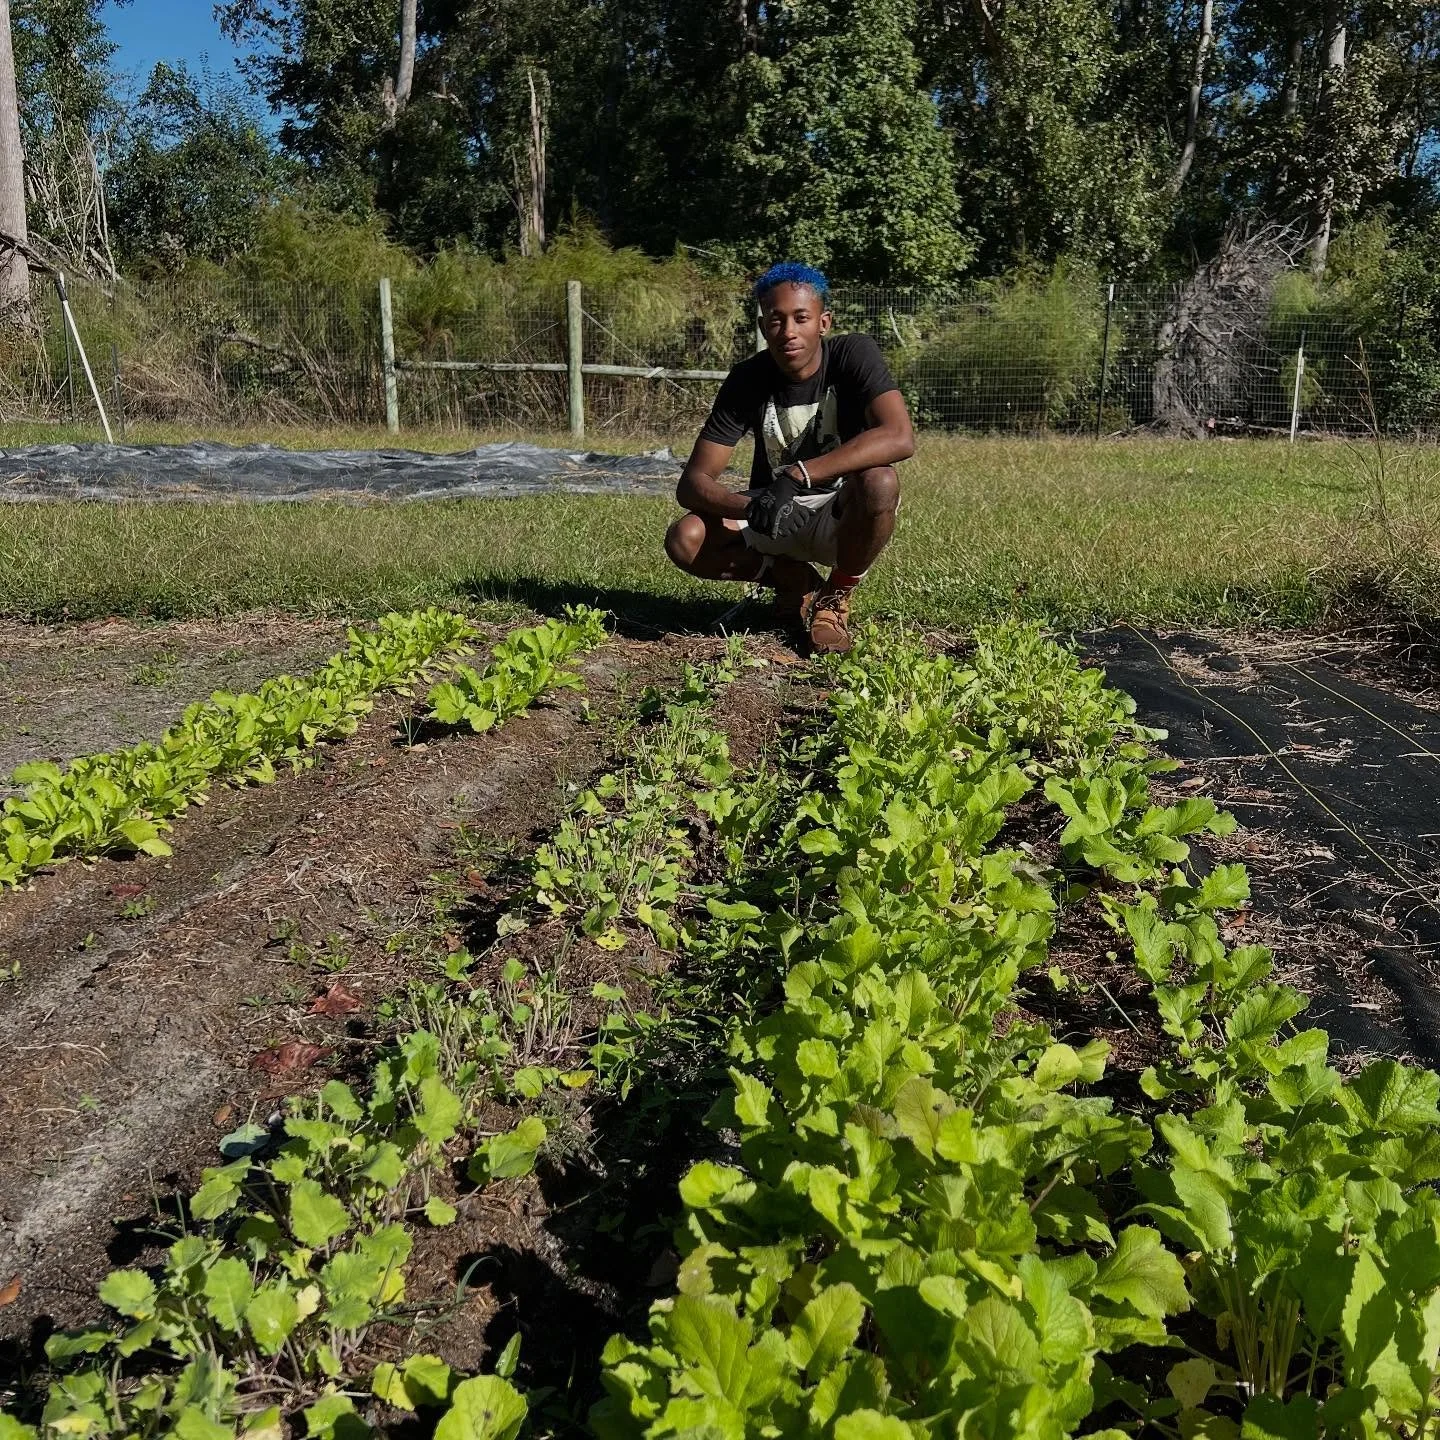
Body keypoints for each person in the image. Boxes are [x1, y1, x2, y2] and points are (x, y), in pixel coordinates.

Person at [664, 262, 914, 654]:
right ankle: (792, 579)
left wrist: (797, 475)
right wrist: (755, 506)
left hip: (839, 510)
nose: (789, 331)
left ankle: (834, 599)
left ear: (824, 322)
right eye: (776, 320)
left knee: (880, 482)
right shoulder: (747, 379)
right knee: (685, 539)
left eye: (801, 318)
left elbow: (899, 436)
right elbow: (692, 484)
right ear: (763, 327)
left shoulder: (853, 354)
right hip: (773, 513)